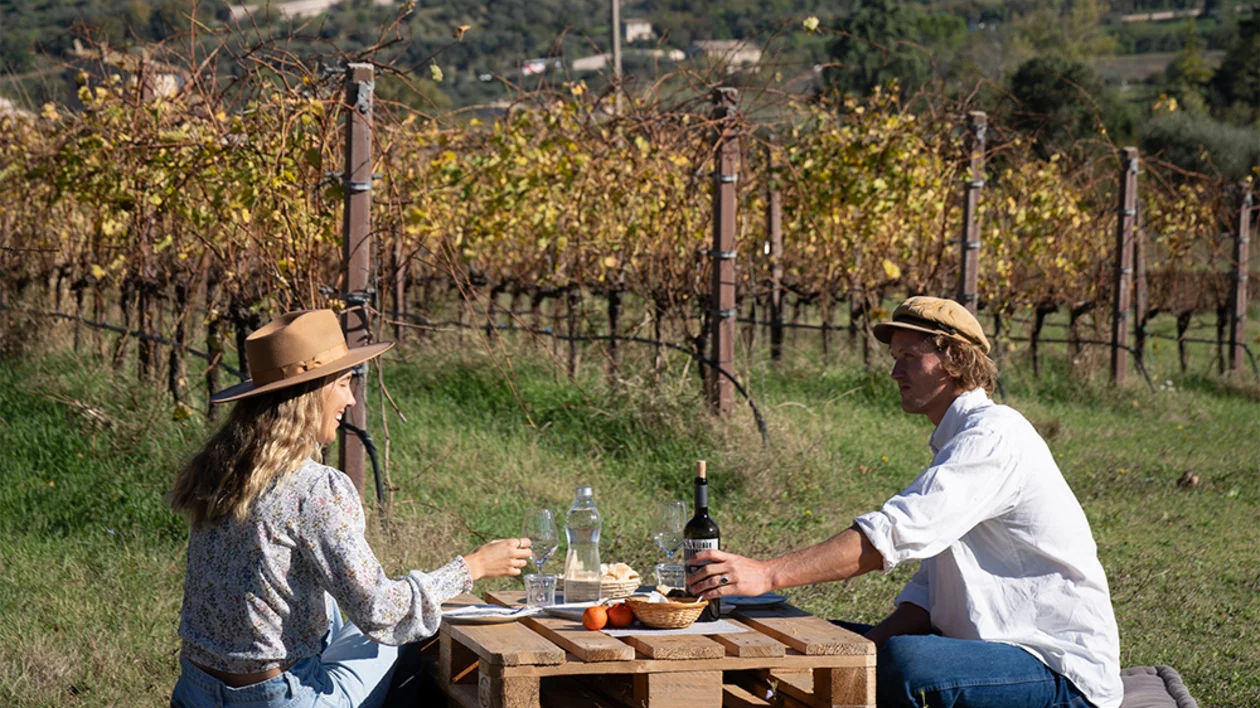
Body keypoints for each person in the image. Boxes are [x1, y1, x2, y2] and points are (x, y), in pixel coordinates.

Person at [687, 296, 1123, 708]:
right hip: (983, 648)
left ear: (955, 359)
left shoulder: (994, 438)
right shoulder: (956, 441)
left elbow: (892, 535)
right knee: (807, 643)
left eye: (910, 358)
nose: (895, 372)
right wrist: (857, 655)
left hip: (1056, 671)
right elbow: (927, 598)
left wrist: (766, 574)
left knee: (905, 665)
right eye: (895, 358)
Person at [168, 309, 532, 708]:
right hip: (278, 698)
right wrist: (473, 566)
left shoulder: (219, 475)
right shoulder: (315, 488)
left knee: (342, 615)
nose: (351, 398)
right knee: (409, 631)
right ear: (310, 395)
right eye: (342, 384)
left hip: (196, 693)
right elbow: (382, 612)